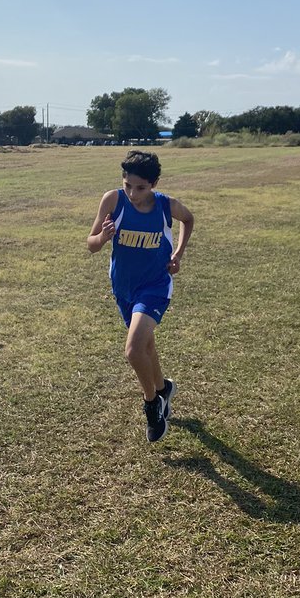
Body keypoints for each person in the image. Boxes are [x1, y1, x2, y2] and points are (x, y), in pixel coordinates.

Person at [87, 150, 194, 443]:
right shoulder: (113, 200)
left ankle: (152, 404)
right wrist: (103, 237)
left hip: (156, 285)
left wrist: (178, 254)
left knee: (134, 350)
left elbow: (189, 219)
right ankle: (163, 389)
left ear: (154, 183)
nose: (133, 194)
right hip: (123, 288)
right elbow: (91, 245)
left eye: (141, 187)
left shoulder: (165, 206)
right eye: (128, 185)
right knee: (146, 346)